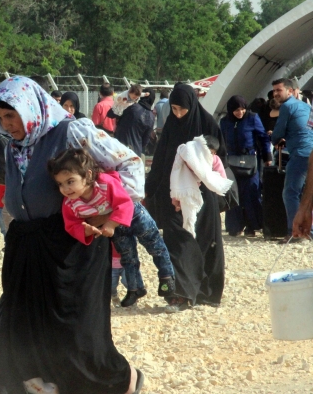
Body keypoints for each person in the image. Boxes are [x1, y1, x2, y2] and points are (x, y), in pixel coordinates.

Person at [0, 76, 145, 394]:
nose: (7, 124)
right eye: (1, 118)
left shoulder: (71, 131)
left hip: (72, 246)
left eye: (12, 116)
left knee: (76, 332)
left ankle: (123, 379)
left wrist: (102, 215)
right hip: (27, 246)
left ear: (31, 108)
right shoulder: (15, 144)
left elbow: (131, 166)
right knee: (29, 327)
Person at [48, 148, 175, 307]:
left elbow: (125, 203)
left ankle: (167, 278)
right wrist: (85, 230)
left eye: (70, 181)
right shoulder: (71, 203)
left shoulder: (104, 184)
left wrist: (110, 223)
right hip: (117, 227)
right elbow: (71, 224)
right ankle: (135, 289)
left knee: (155, 246)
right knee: (127, 257)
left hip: (135, 216)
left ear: (87, 175)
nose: (66, 189)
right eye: (60, 184)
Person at [145, 83, 227, 312]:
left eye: (183, 110)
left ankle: (205, 293)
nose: (178, 114)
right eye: (174, 109)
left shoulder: (208, 124)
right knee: (177, 243)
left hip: (203, 197)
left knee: (204, 242)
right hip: (173, 195)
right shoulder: (171, 126)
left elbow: (221, 159)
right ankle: (180, 294)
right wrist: (148, 190)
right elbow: (161, 160)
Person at [219, 95, 272, 238]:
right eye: (236, 110)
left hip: (250, 161)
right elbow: (221, 141)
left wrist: (267, 156)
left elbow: (263, 137)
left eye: (242, 109)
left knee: (251, 193)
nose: (240, 113)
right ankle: (235, 226)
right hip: (231, 161)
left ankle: (253, 226)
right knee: (233, 194)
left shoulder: (252, 118)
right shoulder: (224, 122)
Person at [271, 78, 313, 242]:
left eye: (279, 90)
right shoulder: (305, 106)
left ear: (290, 91)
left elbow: (278, 132)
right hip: (310, 152)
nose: (275, 94)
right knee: (306, 193)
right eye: (274, 91)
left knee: (290, 193)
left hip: (299, 154)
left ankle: (295, 233)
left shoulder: (287, 106)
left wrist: (275, 140)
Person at [112, 87, 155, 157]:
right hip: (135, 153)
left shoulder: (131, 107)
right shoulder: (152, 117)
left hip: (120, 148)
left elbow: (119, 121)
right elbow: (145, 140)